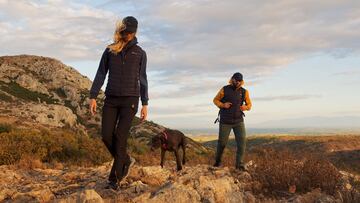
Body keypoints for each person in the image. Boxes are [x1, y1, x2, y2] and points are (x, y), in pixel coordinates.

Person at [89, 16, 148, 190]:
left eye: (131, 32)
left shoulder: (140, 53)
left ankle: (115, 178)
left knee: (120, 137)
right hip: (111, 99)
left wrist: (145, 103)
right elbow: (101, 73)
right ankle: (126, 160)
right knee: (106, 136)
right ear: (121, 30)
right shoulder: (110, 50)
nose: (128, 34)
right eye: (126, 31)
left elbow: (143, 79)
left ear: (135, 32)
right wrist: (93, 95)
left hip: (130, 100)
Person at [213, 72, 252, 171]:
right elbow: (215, 100)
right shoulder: (224, 89)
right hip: (225, 121)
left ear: (241, 81)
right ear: (232, 79)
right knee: (222, 143)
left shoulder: (244, 92)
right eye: (236, 80)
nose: (238, 82)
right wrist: (223, 105)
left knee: (242, 142)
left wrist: (245, 107)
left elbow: (249, 105)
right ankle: (217, 162)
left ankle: (239, 165)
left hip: (239, 121)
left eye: (239, 81)